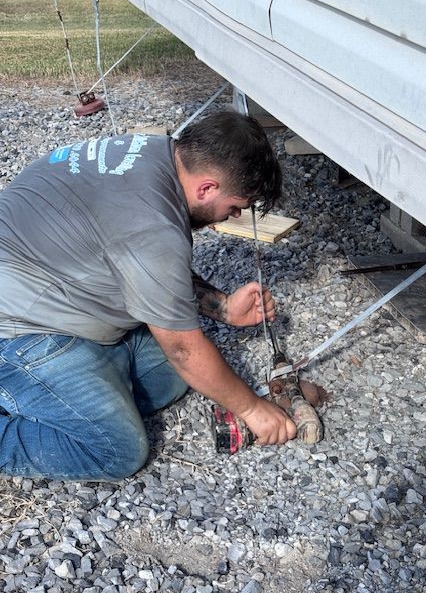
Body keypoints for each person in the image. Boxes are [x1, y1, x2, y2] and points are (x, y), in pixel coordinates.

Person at [0, 110, 296, 481]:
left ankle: (65, 395)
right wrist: (252, 409)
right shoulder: (152, 225)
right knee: (118, 448)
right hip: (19, 330)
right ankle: (27, 393)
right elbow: (183, 349)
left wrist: (223, 309)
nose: (232, 216)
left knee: (170, 379)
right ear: (207, 187)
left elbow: (148, 263)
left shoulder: (158, 153)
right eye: (235, 206)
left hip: (59, 295)